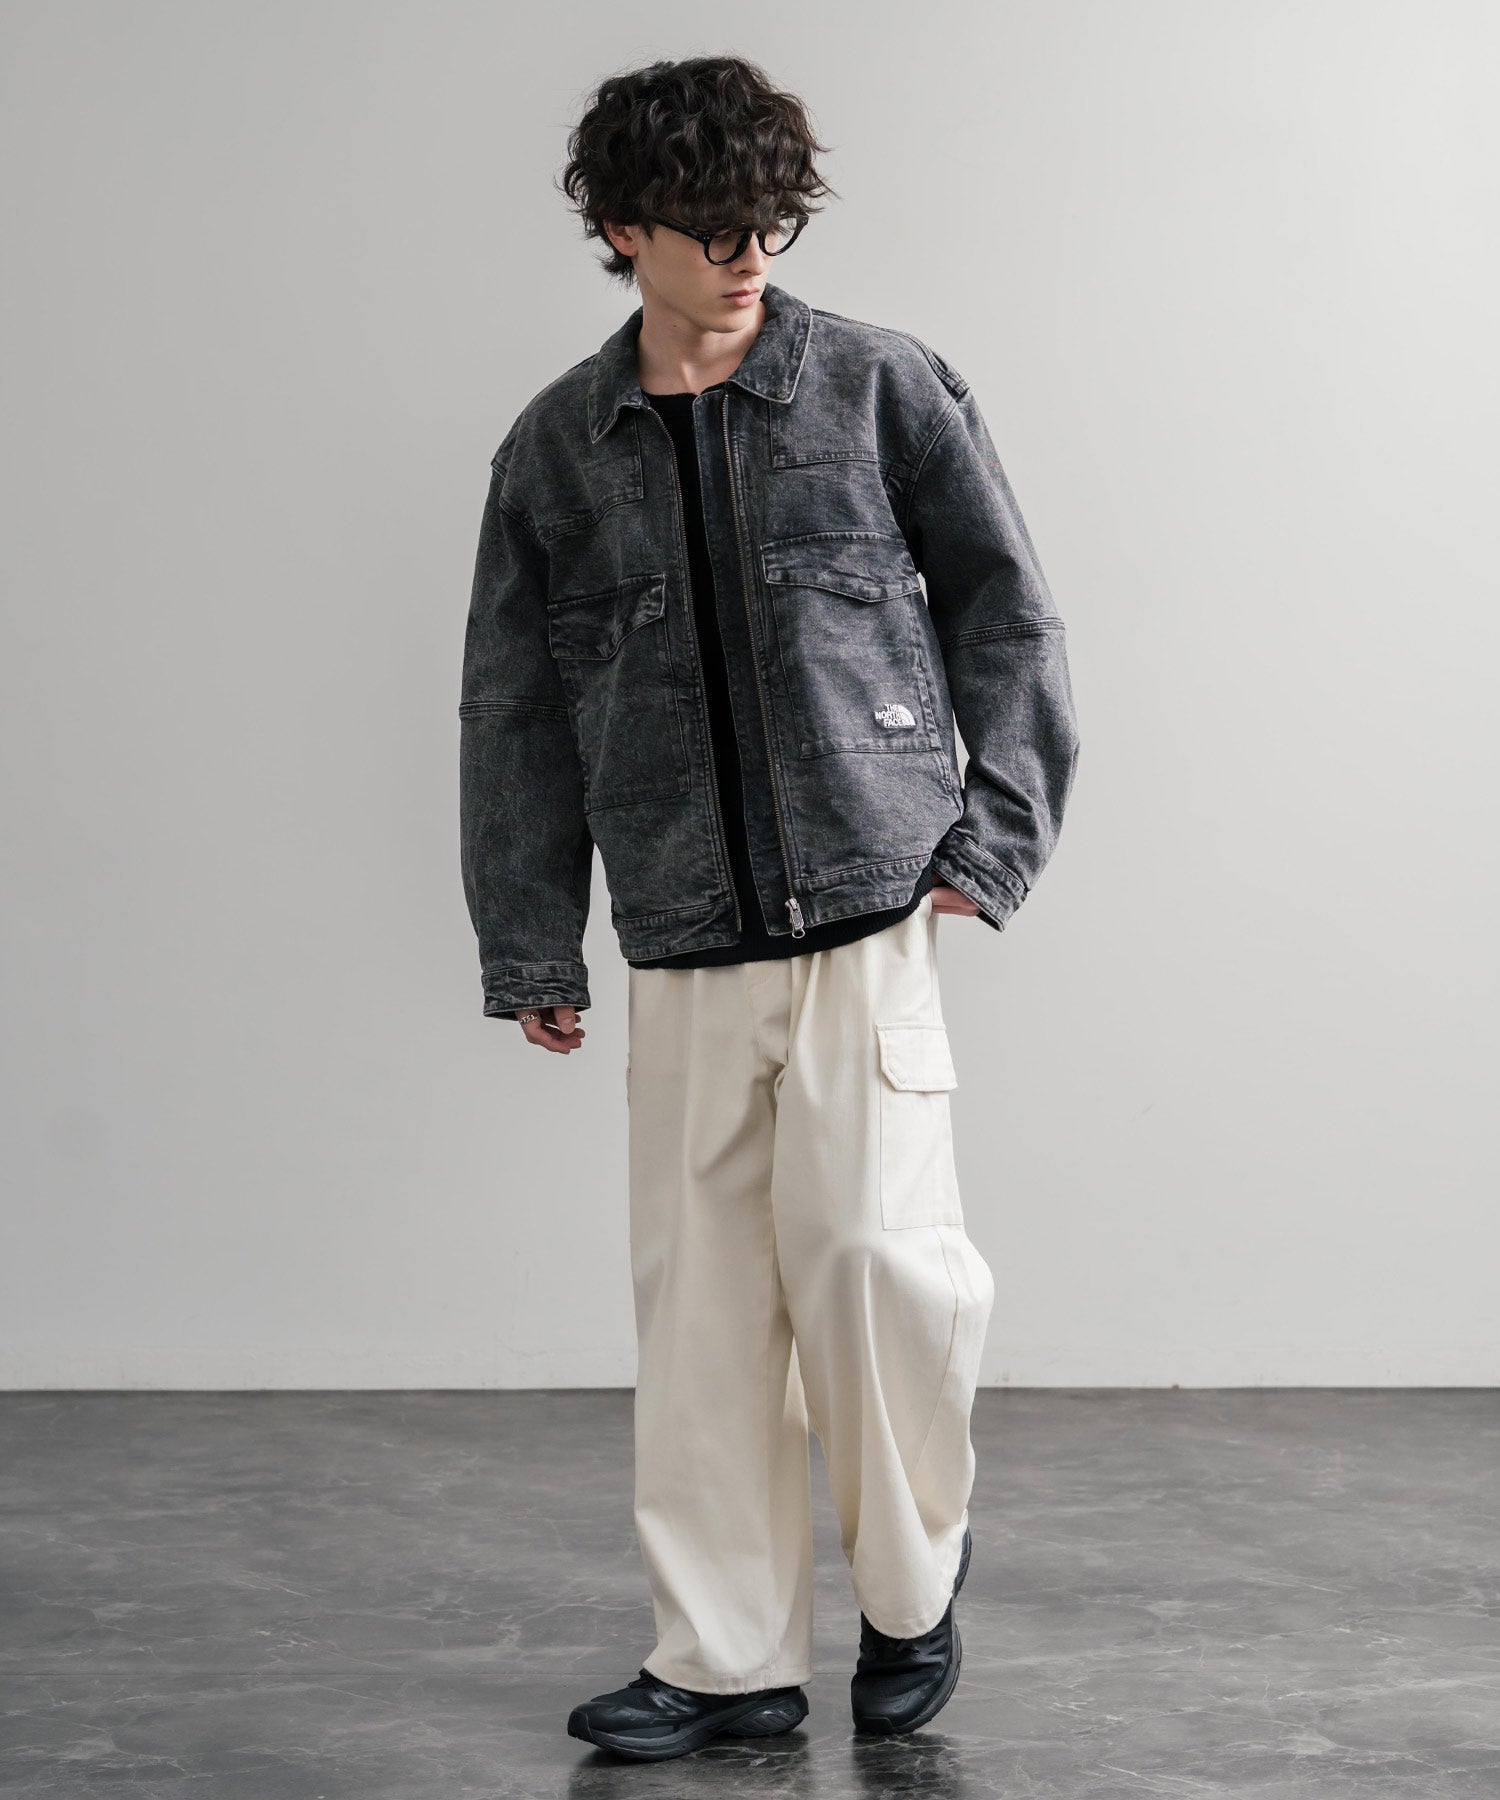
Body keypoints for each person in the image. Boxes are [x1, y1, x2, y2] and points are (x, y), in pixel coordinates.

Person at [458, 54, 1080, 1762]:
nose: (750, 256)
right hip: (679, 935)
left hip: (867, 913)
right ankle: (724, 1662)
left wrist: (989, 842)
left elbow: (1012, 620)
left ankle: (913, 1585)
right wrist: (531, 938)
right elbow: (514, 711)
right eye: (713, 227)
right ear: (621, 231)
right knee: (705, 1314)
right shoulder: (555, 451)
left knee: (878, 1270)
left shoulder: (881, 389)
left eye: (771, 223)